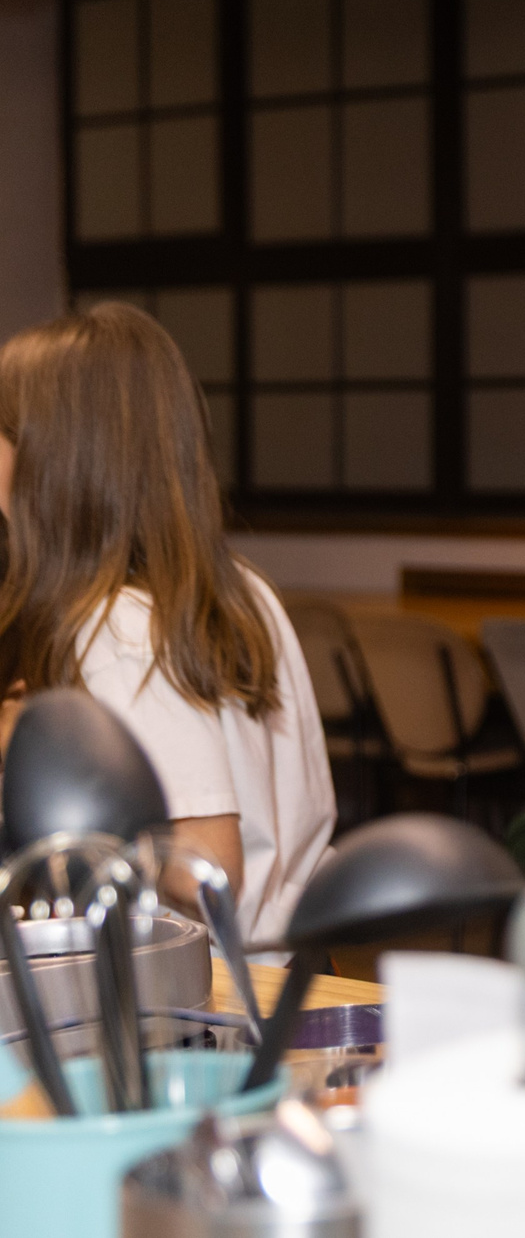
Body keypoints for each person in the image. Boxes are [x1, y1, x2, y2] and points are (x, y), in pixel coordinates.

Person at [0, 304, 333, 947]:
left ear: (56, 457)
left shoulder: (119, 626)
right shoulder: (241, 590)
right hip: (279, 971)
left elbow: (210, 871)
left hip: (202, 1001)